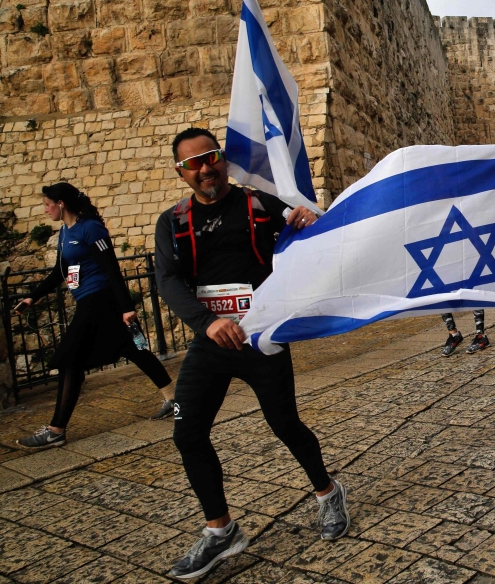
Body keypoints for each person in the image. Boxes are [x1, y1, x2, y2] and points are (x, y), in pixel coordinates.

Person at [155, 128, 349, 580]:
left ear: (223, 158)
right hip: (211, 342)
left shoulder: (259, 203)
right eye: (193, 164)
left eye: (211, 157)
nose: (205, 169)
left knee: (284, 424)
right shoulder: (173, 221)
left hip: (260, 337)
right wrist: (207, 323)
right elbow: (167, 280)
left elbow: (310, 229)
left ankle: (327, 493)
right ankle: (221, 530)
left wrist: (304, 219)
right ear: (180, 172)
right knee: (186, 431)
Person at [14, 184, 176, 449]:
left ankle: (56, 430)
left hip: (101, 299)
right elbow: (60, 270)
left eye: (47, 204)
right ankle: (174, 397)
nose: (44, 209)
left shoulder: (91, 228)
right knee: (133, 349)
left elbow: (111, 267)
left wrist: (126, 306)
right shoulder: (65, 233)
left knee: (69, 359)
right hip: (88, 301)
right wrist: (34, 296)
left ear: (61, 204)